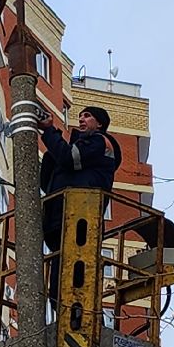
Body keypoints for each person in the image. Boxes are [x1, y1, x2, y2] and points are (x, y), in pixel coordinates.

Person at [39, 104, 122, 259]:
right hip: (60, 217)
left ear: (100, 124)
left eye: (87, 116)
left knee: (75, 269)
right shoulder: (80, 148)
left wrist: (49, 131)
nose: (81, 120)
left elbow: (69, 158)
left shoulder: (100, 141)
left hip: (81, 215)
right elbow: (47, 182)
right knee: (63, 270)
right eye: (80, 117)